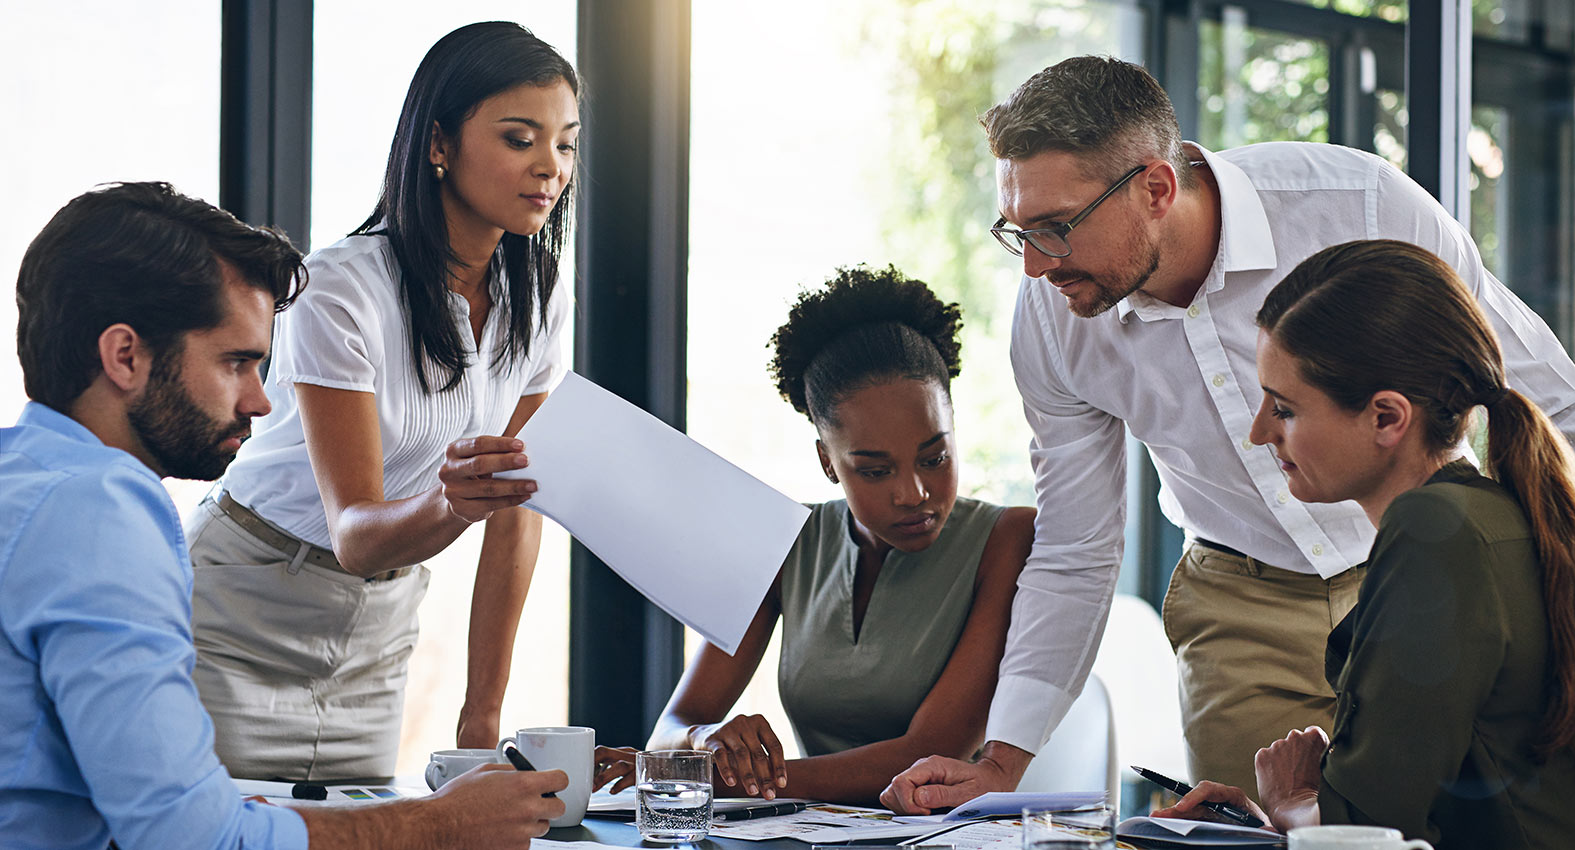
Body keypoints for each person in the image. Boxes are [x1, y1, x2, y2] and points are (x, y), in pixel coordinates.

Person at [882, 55, 1575, 809]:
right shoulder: (1055, 317)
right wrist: (1002, 759)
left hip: (1418, 587)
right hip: (1239, 608)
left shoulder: (1355, 208)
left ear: (1152, 185)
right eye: (1017, 230)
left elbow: (1556, 406)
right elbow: (1078, 545)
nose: (1033, 266)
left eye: (1054, 227)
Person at [0, 181, 567, 850]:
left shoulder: (27, 476)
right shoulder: (102, 518)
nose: (260, 402)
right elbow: (194, 838)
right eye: (236, 363)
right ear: (126, 356)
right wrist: (444, 822)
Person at [1150, 240, 1575, 847]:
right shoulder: (1494, 514)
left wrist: (1293, 802)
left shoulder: (1434, 533)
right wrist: (1291, 812)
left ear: (1386, 418)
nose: (1259, 430)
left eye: (1286, 409)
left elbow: (1373, 834)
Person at [187, 21, 577, 780]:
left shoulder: (540, 291)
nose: (549, 168)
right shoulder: (340, 287)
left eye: (564, 143)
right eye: (519, 138)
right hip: (243, 609)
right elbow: (358, 532)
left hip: (380, 626)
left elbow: (517, 507)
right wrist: (456, 503)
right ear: (438, 143)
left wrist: (482, 712)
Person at [593, 266, 1035, 805]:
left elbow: (929, 754)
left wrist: (714, 776)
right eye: (875, 470)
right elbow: (673, 726)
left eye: (934, 457)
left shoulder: (1008, 538)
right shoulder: (786, 540)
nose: (914, 492)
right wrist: (702, 740)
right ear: (828, 461)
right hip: (809, 836)